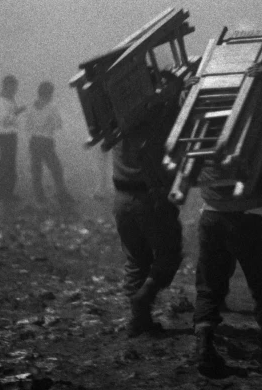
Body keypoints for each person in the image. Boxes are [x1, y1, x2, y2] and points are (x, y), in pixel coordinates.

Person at [193, 65, 262, 379]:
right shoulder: (258, 120)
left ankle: (204, 351)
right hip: (250, 217)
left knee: (210, 286)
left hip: (211, 214)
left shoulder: (200, 116)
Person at [111, 73, 184, 338]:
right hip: (149, 200)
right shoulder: (154, 122)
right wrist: (175, 91)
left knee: (136, 260)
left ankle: (137, 321)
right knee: (168, 255)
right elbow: (173, 116)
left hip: (121, 200)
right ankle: (144, 298)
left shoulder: (117, 124)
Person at [24, 81, 73, 205]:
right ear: (49, 93)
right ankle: (62, 194)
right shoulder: (52, 107)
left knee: (36, 170)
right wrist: (48, 126)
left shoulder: (31, 106)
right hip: (46, 141)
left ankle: (39, 197)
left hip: (34, 141)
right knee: (56, 169)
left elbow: (27, 125)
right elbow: (58, 124)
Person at [0, 74, 25, 202]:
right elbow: (4, 120)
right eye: (13, 86)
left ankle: (7, 193)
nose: (15, 89)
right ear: (7, 86)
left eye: (15, 87)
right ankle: (3, 194)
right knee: (6, 163)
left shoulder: (10, 99)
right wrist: (18, 112)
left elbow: (9, 117)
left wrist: (16, 111)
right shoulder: (1, 101)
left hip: (11, 134)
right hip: (4, 135)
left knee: (9, 163)